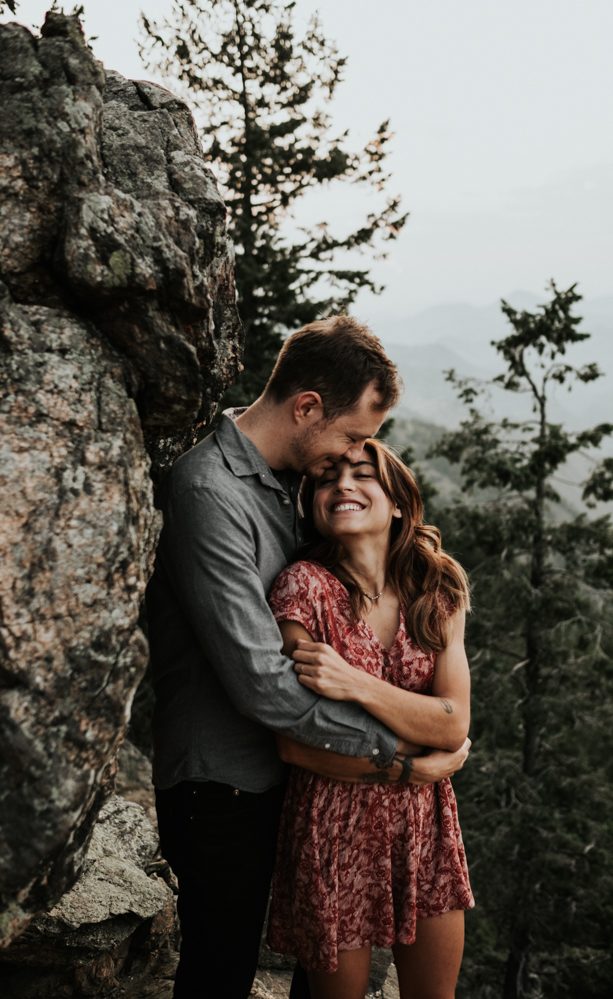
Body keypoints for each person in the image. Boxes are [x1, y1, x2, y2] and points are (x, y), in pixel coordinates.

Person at [146, 316, 461, 999]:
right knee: (219, 970)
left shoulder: (287, 480)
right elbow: (262, 684)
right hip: (220, 781)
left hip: (298, 774)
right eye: (351, 436)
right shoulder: (209, 492)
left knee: (313, 966)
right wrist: (406, 749)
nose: (349, 456)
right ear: (307, 407)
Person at [265, 438, 474, 999]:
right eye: (328, 480)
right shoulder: (302, 589)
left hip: (426, 828)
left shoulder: (437, 589)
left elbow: (453, 723)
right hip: (334, 826)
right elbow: (297, 746)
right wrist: (412, 767)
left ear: (399, 501)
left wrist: (355, 683)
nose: (343, 486)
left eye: (363, 474)